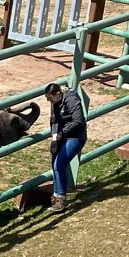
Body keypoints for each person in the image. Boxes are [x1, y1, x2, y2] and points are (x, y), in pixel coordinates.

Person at [45, 82, 87, 214]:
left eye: (50, 98)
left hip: (75, 137)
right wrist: (54, 134)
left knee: (59, 164)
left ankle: (61, 198)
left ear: (58, 94)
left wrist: (62, 132)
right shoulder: (54, 102)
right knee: (55, 165)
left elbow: (79, 120)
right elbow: (53, 120)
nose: (49, 101)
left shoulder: (71, 99)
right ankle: (56, 196)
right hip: (61, 137)